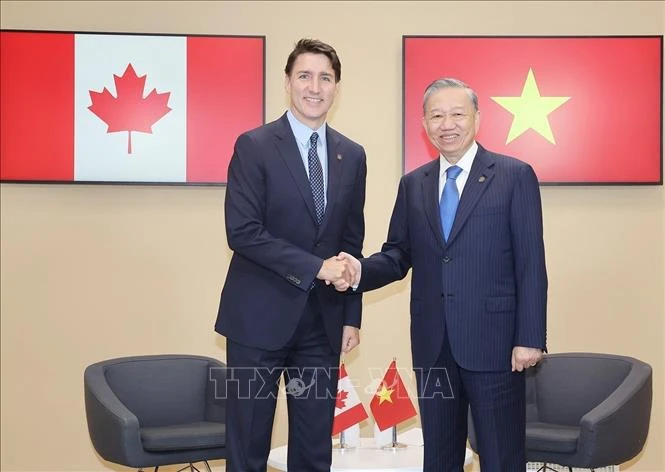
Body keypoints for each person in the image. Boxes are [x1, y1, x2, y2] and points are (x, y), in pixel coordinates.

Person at [337, 78, 547, 472]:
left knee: (501, 456)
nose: (446, 124)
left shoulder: (514, 175)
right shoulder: (414, 184)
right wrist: (358, 271)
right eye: (436, 115)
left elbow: (531, 263)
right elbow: (398, 255)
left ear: (477, 119)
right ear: (424, 123)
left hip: (496, 345)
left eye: (457, 114)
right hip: (434, 345)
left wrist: (530, 338)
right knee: (439, 456)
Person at [214, 38, 366, 472]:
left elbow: (351, 243)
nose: (314, 86)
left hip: (322, 325)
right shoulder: (255, 145)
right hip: (257, 321)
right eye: (305, 75)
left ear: (336, 87)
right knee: (248, 447)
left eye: (325, 77)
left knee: (315, 449)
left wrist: (351, 315)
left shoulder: (352, 155)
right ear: (287, 82)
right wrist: (316, 267)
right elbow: (242, 232)